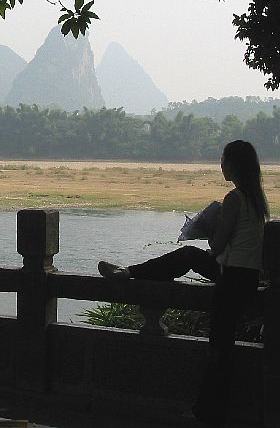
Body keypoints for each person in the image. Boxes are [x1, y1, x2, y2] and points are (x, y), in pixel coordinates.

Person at [97, 140, 269, 427]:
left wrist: (207, 229)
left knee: (219, 348)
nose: (222, 165)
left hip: (231, 278)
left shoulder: (234, 198)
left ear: (234, 165)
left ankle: (207, 413)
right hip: (247, 278)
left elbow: (216, 246)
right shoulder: (257, 199)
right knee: (222, 345)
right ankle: (129, 271)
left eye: (224, 160)